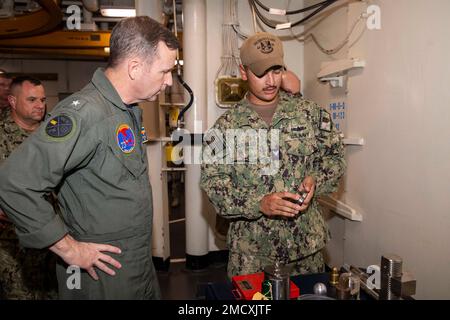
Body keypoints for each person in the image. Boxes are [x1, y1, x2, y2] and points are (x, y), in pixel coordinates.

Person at [0, 16, 179, 299]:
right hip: (101, 275)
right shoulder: (85, 114)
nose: (169, 81)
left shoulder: (125, 109)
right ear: (134, 67)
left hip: (135, 264)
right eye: (165, 71)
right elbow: (13, 183)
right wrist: (69, 248)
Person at [200, 32, 346, 279]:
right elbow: (214, 187)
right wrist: (259, 203)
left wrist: (315, 180)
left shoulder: (310, 114)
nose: (270, 80)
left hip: (305, 250)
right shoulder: (225, 128)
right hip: (252, 255)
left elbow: (335, 159)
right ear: (243, 72)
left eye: (277, 71)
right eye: (261, 72)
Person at [0, 76, 57, 300]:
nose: (40, 105)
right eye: (32, 99)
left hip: (54, 238)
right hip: (12, 243)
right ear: (13, 101)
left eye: (42, 99)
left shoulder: (55, 134)